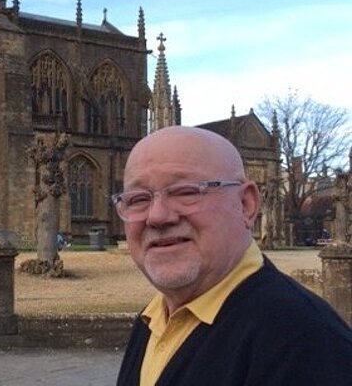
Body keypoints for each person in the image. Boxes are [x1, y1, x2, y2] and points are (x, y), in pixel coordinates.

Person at [113, 126, 352, 385]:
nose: (157, 216)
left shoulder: (306, 344)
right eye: (138, 199)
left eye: (186, 191)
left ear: (246, 205)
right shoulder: (152, 321)